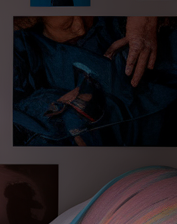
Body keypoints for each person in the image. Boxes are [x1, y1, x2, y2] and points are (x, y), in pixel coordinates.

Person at [13, 16, 177, 146]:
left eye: (85, 16)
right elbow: (11, 105)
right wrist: (58, 106)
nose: (80, 27)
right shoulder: (26, 49)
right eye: (67, 25)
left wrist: (146, 13)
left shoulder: (113, 22)